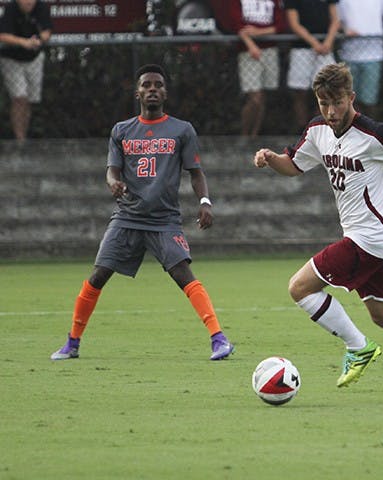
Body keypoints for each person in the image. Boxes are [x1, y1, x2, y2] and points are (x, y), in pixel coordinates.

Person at [253, 63, 383, 401]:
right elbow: (293, 165)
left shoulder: (375, 134)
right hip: (375, 237)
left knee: (300, 288)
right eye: (324, 103)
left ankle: (358, 347)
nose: (331, 111)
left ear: (351, 97)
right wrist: (269, 158)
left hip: (368, 237)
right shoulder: (318, 130)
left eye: (337, 102)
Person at [50, 64, 234, 362]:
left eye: (158, 85)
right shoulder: (121, 130)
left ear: (165, 93)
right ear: (137, 92)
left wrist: (205, 202)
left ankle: (219, 339)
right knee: (98, 275)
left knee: (183, 274)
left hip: (164, 220)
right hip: (127, 217)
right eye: (146, 85)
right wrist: (113, 183)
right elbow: (112, 170)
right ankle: (72, 343)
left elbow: (196, 172)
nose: (152, 89)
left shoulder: (182, 130)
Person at [337, 0, 383, 118]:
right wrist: (344, 29)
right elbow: (336, 19)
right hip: (349, 55)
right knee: (349, 99)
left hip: (374, 55)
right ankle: (353, 127)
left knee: (370, 100)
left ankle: (369, 127)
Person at [230, 0, 285, 137]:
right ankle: (244, 134)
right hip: (248, 51)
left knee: (262, 97)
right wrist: (251, 45)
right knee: (255, 97)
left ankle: (254, 135)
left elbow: (280, 25)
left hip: (269, 50)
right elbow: (236, 25)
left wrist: (258, 32)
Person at [0, 0, 52, 145]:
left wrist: (38, 40)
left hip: (34, 58)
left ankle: (23, 137)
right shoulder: (10, 9)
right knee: (19, 98)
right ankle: (20, 140)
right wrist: (24, 42)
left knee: (28, 100)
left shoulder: (41, 7)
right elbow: (2, 35)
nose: (29, 2)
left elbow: (47, 31)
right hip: (11, 59)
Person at [285, 0, 341, 133]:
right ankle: (302, 130)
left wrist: (328, 41)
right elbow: (294, 24)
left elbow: (335, 20)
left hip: (325, 50)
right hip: (301, 50)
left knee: (327, 90)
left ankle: (320, 128)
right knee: (300, 92)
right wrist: (314, 43)